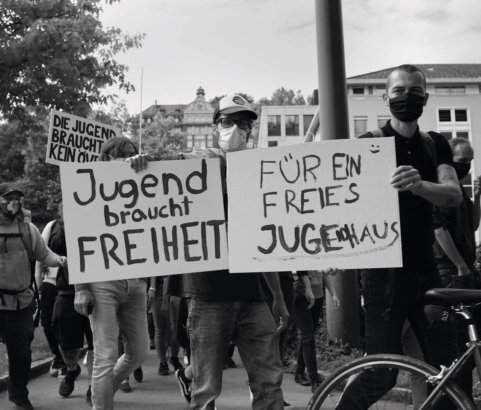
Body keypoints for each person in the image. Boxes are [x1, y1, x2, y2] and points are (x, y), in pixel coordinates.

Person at [336, 64, 462, 409]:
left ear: (426, 96)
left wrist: (420, 186)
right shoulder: (367, 146)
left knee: (445, 369)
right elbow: (341, 209)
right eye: (399, 91)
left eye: (415, 90)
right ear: (385, 97)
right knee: (382, 371)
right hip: (384, 278)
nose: (408, 97)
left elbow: (453, 196)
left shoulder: (435, 144)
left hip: (427, 271)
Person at [162, 94, 289, 410]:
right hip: (208, 293)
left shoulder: (262, 172)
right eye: (228, 122)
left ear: (250, 130)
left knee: (270, 382)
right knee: (207, 389)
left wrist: (278, 296)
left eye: (243, 123)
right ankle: (190, 380)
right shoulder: (202, 160)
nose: (236, 129)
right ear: (216, 126)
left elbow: (265, 238)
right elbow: (167, 165)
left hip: (251, 294)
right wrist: (141, 162)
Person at [74, 137, 149, 410]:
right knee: (106, 354)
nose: (129, 157)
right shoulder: (87, 186)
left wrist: (147, 283)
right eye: (122, 154)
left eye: (132, 153)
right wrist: (81, 286)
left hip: (135, 280)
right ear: (106, 158)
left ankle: (103, 390)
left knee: (139, 352)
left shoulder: (144, 181)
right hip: (102, 281)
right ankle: (101, 404)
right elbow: (78, 235)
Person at [0, 182, 67, 410]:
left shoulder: (29, 230)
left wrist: (60, 260)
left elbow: (44, 253)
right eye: (8, 198)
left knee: (21, 356)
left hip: (21, 304)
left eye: (17, 198)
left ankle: (19, 396)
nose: (13, 202)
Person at [432, 137, 481, 402]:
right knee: (457, 339)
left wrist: (478, 194)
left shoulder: (460, 192)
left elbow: (472, 225)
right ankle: (457, 397)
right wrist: (460, 265)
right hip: (451, 273)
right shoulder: (443, 191)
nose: (468, 166)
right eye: (463, 161)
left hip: (465, 271)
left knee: (471, 339)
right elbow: (438, 229)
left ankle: (462, 396)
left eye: (471, 161)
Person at [41, 210, 94, 399]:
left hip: (97, 286)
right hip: (65, 287)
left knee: (96, 339)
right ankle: (71, 368)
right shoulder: (55, 226)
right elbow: (43, 251)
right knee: (60, 333)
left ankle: (94, 385)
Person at [293, 270, 339, 393]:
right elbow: (301, 270)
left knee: (308, 335)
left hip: (317, 296)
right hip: (301, 295)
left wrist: (333, 293)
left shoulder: (320, 252)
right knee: (308, 337)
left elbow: (325, 274)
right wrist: (308, 288)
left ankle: (299, 373)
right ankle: (315, 381)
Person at [34, 219, 65, 378]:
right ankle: (58, 356)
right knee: (46, 321)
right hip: (50, 281)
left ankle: (66, 360)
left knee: (63, 323)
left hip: (69, 284)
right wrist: (38, 280)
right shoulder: (51, 226)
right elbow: (41, 254)